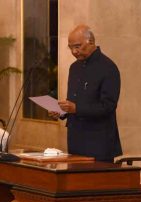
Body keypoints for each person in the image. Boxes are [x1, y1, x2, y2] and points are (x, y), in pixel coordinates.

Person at [49, 25, 122, 162]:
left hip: (99, 141)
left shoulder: (108, 67)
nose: (74, 51)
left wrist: (76, 108)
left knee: (96, 183)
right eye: (70, 48)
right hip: (76, 139)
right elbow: (75, 101)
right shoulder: (74, 67)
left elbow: (108, 106)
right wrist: (62, 111)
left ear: (91, 42)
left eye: (77, 46)